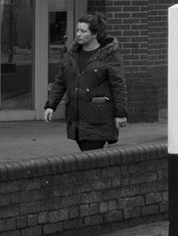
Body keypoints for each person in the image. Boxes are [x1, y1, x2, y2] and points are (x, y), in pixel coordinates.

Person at [44, 13, 128, 151]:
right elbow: (60, 81)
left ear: (94, 34)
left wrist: (121, 113)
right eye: (77, 30)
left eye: (83, 31)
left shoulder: (109, 56)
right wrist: (51, 105)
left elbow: (119, 86)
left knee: (91, 157)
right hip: (76, 119)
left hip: (99, 118)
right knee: (88, 158)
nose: (78, 34)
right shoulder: (71, 55)